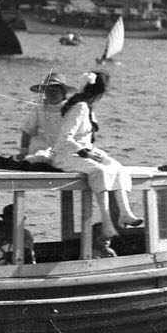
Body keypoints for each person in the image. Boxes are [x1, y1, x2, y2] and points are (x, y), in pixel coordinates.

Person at [49, 71, 143, 239]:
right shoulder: (80, 107)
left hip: (86, 151)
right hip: (67, 154)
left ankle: (125, 212)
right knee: (99, 171)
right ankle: (107, 224)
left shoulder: (87, 107)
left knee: (116, 167)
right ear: (99, 94)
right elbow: (65, 138)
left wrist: (91, 152)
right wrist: (87, 154)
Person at [17, 71, 71, 163]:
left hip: (62, 151)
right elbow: (27, 130)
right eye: (48, 90)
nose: (51, 93)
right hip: (40, 150)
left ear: (63, 92)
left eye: (55, 90)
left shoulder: (72, 108)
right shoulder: (40, 106)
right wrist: (23, 151)